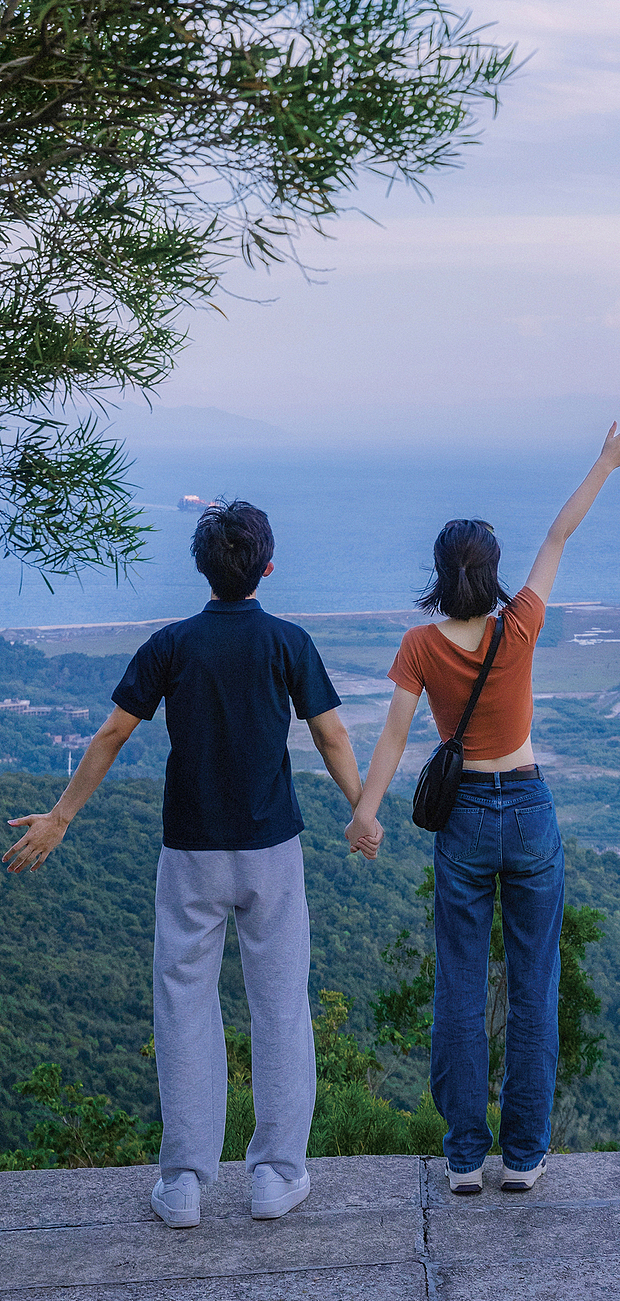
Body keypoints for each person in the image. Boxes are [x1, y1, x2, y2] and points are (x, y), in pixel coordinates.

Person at [3, 500, 375, 1230]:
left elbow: (113, 731)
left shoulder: (172, 643)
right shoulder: (287, 641)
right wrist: (362, 810)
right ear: (266, 567)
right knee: (278, 1010)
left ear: (203, 568)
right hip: (272, 851)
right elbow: (331, 736)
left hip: (190, 854)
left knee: (183, 1008)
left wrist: (61, 816)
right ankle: (276, 1177)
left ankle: (182, 1187)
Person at [346, 417, 620, 1195]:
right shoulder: (519, 624)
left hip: (463, 825)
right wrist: (606, 461)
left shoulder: (420, 645)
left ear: (441, 573)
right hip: (528, 810)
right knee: (533, 985)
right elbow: (559, 533)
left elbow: (391, 738)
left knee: (457, 986)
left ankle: (462, 1160)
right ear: (490, 573)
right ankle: (523, 1157)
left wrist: (367, 810)